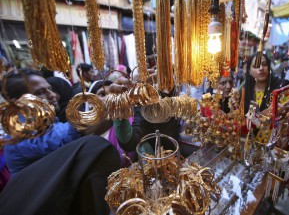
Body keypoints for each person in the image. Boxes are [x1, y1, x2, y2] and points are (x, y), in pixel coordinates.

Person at [0, 68, 120, 215]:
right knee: (95, 146)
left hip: (55, 201)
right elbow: (80, 130)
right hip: (33, 206)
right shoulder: (19, 131)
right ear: (18, 103)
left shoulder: (49, 123)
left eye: (49, 89)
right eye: (40, 92)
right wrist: (117, 101)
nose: (52, 95)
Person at [110, 69, 182, 153]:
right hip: (157, 161)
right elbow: (130, 143)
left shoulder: (169, 97)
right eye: (139, 86)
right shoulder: (142, 109)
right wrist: (119, 105)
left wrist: (168, 83)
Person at [244, 53, 289, 143]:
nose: (261, 68)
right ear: (249, 71)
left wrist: (283, 113)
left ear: (269, 67)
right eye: (256, 66)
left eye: (264, 64)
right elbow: (241, 123)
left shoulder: (283, 88)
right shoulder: (245, 92)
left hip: (277, 146)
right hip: (251, 145)